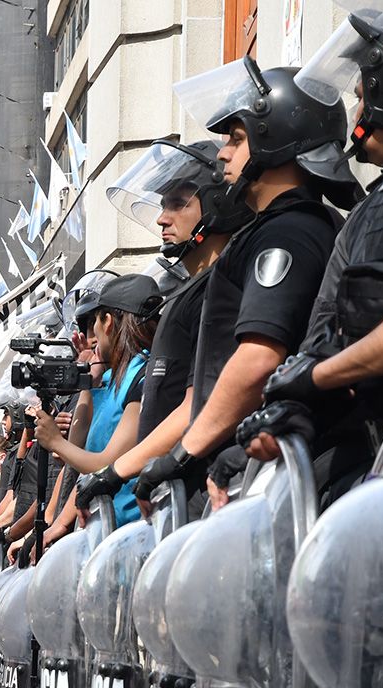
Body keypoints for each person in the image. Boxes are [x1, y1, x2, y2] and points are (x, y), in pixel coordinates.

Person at [136, 55, 355, 509]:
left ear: (275, 137)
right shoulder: (278, 228)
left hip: (253, 482)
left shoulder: (290, 230)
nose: (222, 153)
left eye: (236, 138)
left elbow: (258, 358)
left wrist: (182, 454)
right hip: (245, 476)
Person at [232, 18, 383, 501]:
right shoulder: (373, 204)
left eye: (364, 94)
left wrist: (312, 379)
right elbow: (331, 329)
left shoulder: (304, 226)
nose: (358, 108)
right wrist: (295, 404)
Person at [75, 139, 250, 515]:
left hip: (203, 495)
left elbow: (199, 402)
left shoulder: (223, 285)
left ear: (217, 202)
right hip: (171, 496)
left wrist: (117, 470)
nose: (161, 218)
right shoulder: (194, 288)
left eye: (176, 203)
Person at [34, 274, 160, 534]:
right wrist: (87, 383)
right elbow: (79, 451)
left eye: (95, 324)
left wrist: (55, 441)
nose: (91, 338)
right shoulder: (109, 380)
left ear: (109, 322)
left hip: (132, 529)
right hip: (102, 529)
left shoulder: (142, 376)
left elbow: (106, 463)